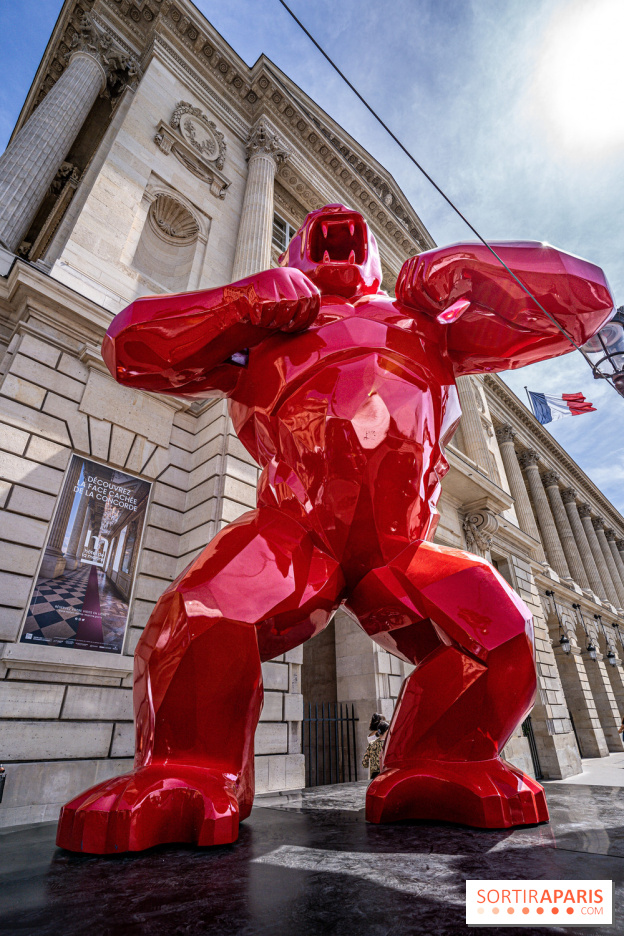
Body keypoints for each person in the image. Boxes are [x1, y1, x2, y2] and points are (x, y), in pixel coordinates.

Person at [362, 714, 390, 780]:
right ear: (386, 731)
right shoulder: (387, 745)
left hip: (374, 774)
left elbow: (364, 763)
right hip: (385, 773)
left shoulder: (371, 744)